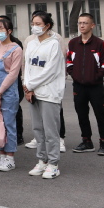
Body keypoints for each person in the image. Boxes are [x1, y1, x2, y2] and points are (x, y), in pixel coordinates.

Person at [24, 12, 65, 179]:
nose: (35, 27)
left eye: (38, 24)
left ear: (47, 26)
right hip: (33, 92)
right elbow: (28, 67)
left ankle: (53, 164)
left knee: (50, 131)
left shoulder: (54, 44)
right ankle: (42, 160)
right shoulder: (31, 44)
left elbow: (50, 71)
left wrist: (31, 85)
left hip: (49, 93)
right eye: (33, 23)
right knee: (38, 129)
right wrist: (27, 87)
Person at [66, 12, 104, 156]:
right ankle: (86, 141)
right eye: (80, 23)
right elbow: (69, 63)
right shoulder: (73, 43)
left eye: (85, 23)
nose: (82, 25)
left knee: (100, 114)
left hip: (95, 87)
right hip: (79, 86)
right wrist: (76, 76)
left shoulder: (100, 43)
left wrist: (94, 78)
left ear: (92, 25)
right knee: (81, 114)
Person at [0, 17, 23, 172]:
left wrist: (0, 92)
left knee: (8, 124)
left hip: (8, 93)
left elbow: (13, 74)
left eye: (2, 28)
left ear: (9, 31)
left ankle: (10, 158)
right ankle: (1, 155)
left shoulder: (16, 49)